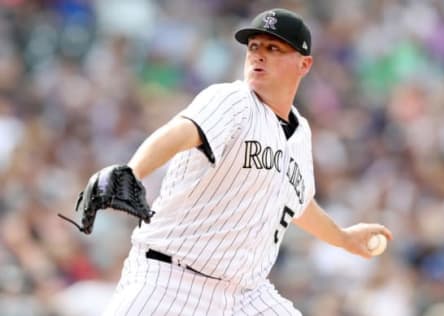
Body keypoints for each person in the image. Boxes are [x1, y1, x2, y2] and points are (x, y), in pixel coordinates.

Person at [101, 8, 393, 316]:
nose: (259, 55)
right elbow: (180, 131)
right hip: (171, 280)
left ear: (304, 64)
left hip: (246, 296)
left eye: (273, 48)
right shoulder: (233, 100)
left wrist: (344, 238)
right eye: (254, 46)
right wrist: (132, 171)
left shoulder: (300, 132)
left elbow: (298, 203)